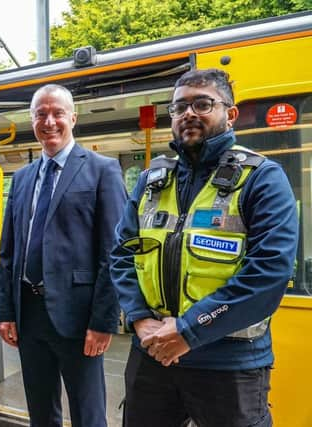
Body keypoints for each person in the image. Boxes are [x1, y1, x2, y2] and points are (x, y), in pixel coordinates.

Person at [110, 68, 298, 427]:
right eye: (179, 107)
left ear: (230, 114)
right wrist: (140, 320)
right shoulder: (151, 180)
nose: (188, 114)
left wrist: (188, 331)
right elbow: (122, 254)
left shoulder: (261, 178)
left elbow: (269, 274)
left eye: (202, 103)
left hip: (228, 363)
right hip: (152, 358)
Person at [0, 84, 127, 427]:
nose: (49, 121)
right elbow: (8, 251)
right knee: (41, 413)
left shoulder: (102, 170)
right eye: (41, 114)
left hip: (79, 316)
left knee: (88, 413)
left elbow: (114, 253)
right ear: (32, 120)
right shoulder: (22, 179)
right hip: (29, 314)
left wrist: (103, 321)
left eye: (57, 113)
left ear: (73, 118)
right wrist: (5, 311)